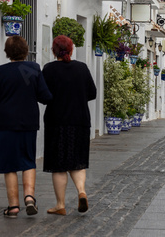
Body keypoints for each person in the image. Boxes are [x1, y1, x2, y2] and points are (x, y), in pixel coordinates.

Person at [0, 36, 52, 218]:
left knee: (9, 165)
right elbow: (45, 96)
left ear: (7, 52)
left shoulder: (0, 72)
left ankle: (13, 207)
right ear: (26, 51)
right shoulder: (34, 68)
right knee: (28, 160)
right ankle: (29, 197)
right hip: (28, 123)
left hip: (6, 124)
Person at [43, 35, 97, 216]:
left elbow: (43, 96)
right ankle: (81, 191)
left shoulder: (49, 69)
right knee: (77, 161)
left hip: (56, 122)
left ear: (54, 50)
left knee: (59, 165)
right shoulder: (82, 68)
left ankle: (60, 205)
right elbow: (92, 93)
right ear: (71, 50)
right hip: (80, 121)